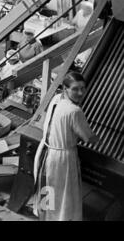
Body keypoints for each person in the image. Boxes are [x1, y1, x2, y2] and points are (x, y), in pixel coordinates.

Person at [33, 72, 99, 221]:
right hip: (62, 160)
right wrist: (100, 140)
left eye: (83, 88)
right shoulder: (74, 111)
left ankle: (45, 218)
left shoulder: (56, 99)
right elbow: (88, 137)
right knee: (63, 195)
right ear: (65, 89)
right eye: (75, 89)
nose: (80, 93)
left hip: (45, 152)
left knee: (47, 189)